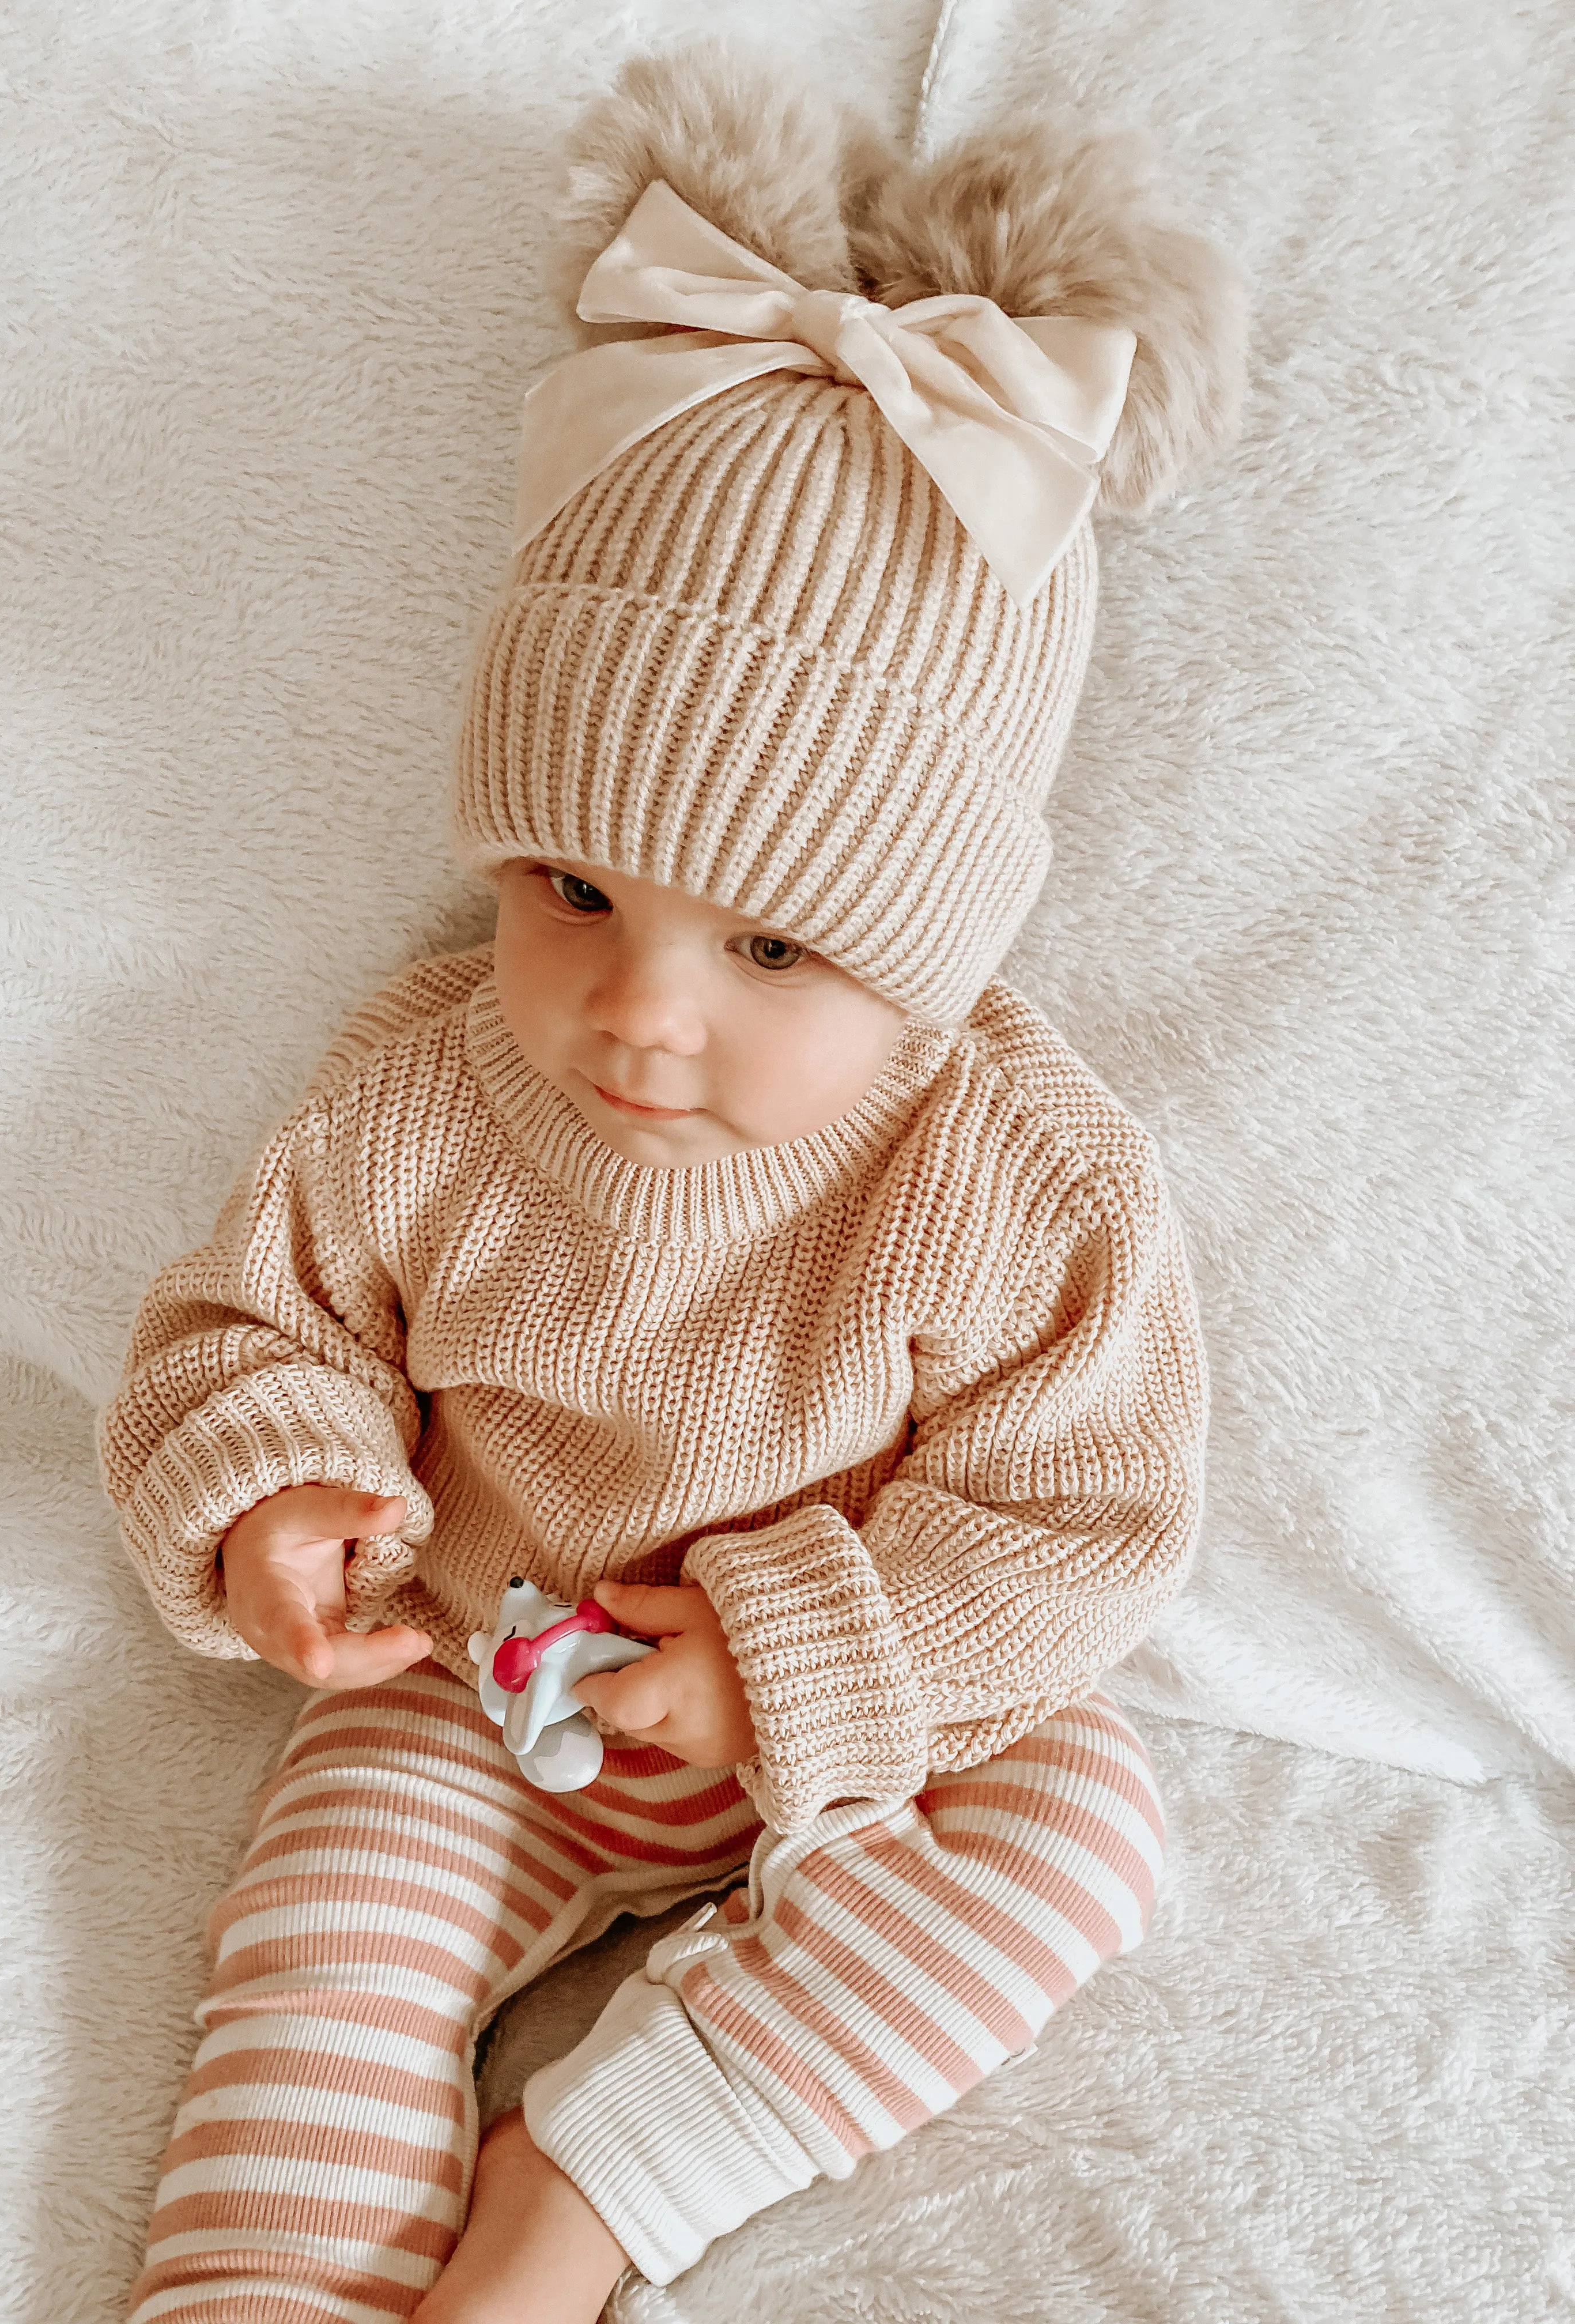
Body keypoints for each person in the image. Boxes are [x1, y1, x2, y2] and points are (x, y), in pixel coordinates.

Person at [99, 39, 1243, 2323]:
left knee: (1085, 1826)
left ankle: (587, 2195)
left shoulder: (1007, 1170)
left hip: (871, 1735)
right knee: (322, 1931)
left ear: (927, 945)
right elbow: (257, 1323)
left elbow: (1087, 1517)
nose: (639, 1012)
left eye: (774, 945)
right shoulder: (417, 1090)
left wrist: (813, 1662)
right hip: (490, 1680)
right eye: (575, 889)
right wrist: (280, 1501)